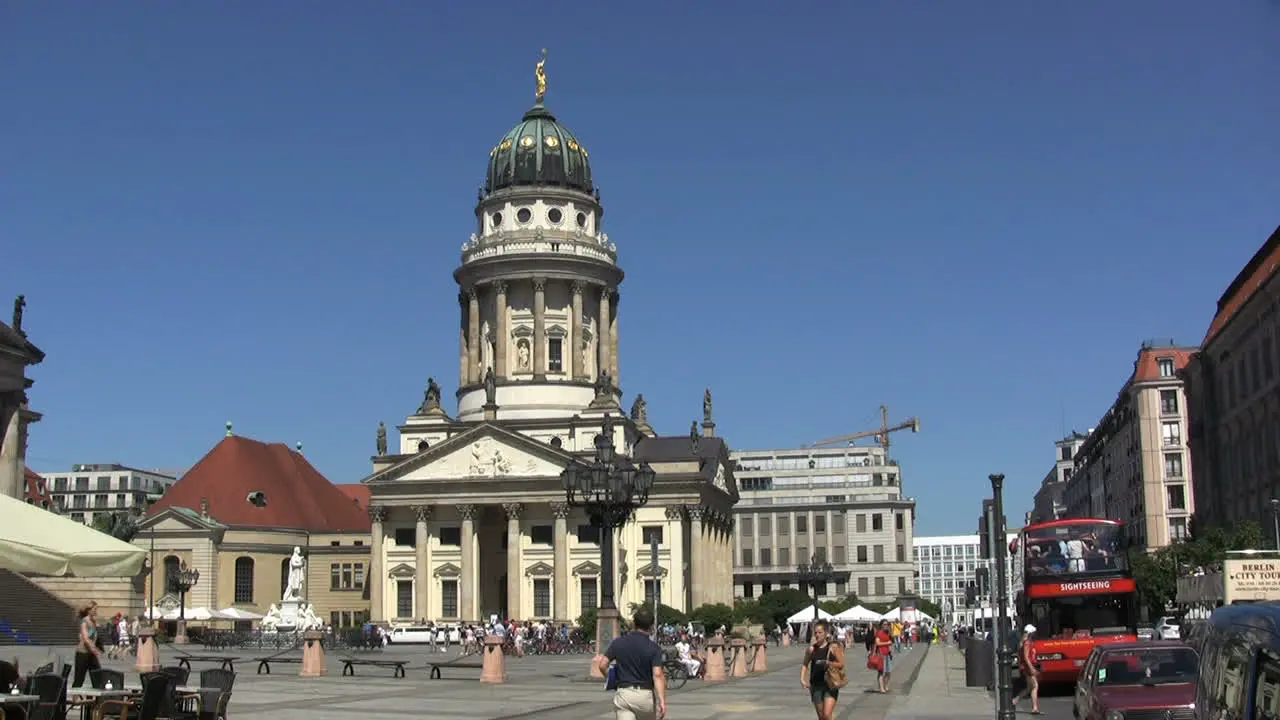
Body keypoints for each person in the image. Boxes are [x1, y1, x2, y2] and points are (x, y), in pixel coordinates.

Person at [593, 608, 667, 720]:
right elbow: (657, 675)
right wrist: (662, 700)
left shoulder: (618, 643)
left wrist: (611, 678)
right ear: (651, 626)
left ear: (634, 624)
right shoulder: (654, 648)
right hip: (644, 695)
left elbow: (603, 664)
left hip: (624, 694)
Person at [800, 619, 844, 720]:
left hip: (831, 684)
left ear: (826, 633)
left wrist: (829, 663)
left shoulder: (833, 647)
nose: (817, 635)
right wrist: (802, 679)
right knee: (821, 716)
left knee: (827, 714)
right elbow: (805, 664)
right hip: (816, 685)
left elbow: (841, 664)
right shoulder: (812, 649)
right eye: (816, 633)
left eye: (820, 632)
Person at [1012, 624, 1042, 714]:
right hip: (1027, 667)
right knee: (1035, 686)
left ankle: (1015, 701)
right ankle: (1034, 708)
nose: (1034, 635)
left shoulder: (1024, 642)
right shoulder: (1027, 643)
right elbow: (1026, 657)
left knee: (1029, 687)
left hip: (1026, 667)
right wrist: (1032, 668)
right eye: (1033, 633)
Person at [72, 602, 102, 687]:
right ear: (89, 610)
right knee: (79, 679)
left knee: (98, 677)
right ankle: (75, 699)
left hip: (91, 654)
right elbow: (86, 638)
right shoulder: (84, 621)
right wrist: (94, 649)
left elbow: (95, 637)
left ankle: (98, 699)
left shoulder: (94, 621)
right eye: (95, 609)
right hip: (82, 653)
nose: (96, 611)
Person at [873, 619, 894, 693]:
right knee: (881, 672)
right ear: (881, 625)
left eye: (887, 624)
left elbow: (890, 643)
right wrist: (887, 643)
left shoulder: (887, 633)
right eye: (884, 624)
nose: (886, 626)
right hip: (881, 654)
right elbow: (877, 643)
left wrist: (890, 652)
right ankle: (881, 688)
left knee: (888, 672)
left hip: (887, 654)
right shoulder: (879, 633)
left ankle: (885, 685)